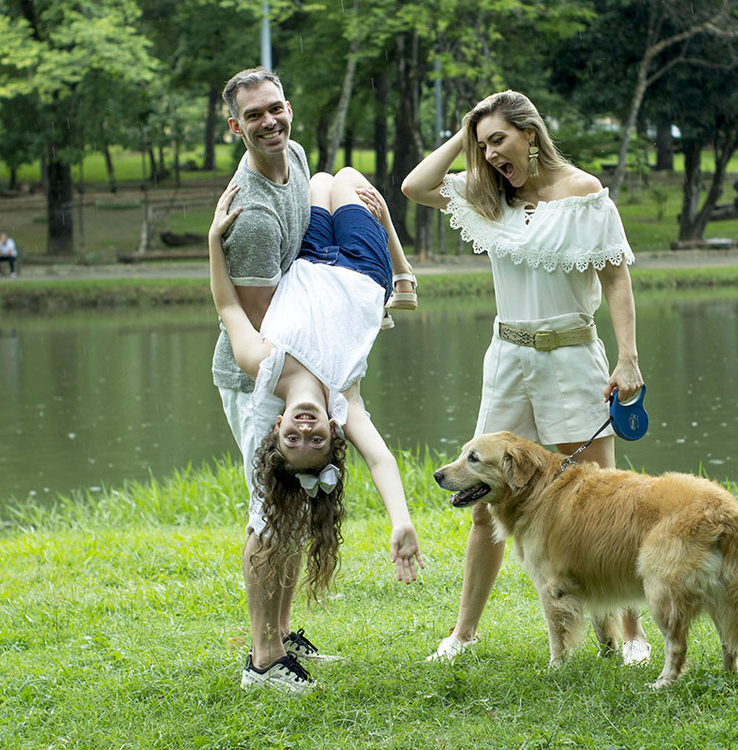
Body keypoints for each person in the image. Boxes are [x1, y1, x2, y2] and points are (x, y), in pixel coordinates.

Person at [401, 90, 650, 665]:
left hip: (573, 354)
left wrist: (628, 358)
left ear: (530, 134)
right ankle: (463, 633)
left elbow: (616, 279)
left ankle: (631, 634)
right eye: (482, 145)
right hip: (508, 359)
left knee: (604, 501)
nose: (491, 155)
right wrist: (467, 130)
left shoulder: (584, 193)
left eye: (498, 140)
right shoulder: (489, 198)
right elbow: (415, 185)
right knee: (483, 501)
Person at [210, 170, 423, 694]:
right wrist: (401, 521)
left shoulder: (263, 362)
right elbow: (380, 459)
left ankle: (275, 641)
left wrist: (214, 240)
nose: (305, 431)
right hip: (363, 270)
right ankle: (403, 276)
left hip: (309, 261)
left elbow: (228, 306)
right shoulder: (343, 400)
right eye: (317, 441)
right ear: (332, 430)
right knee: (347, 178)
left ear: (277, 426)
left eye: (293, 439)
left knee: (319, 177)